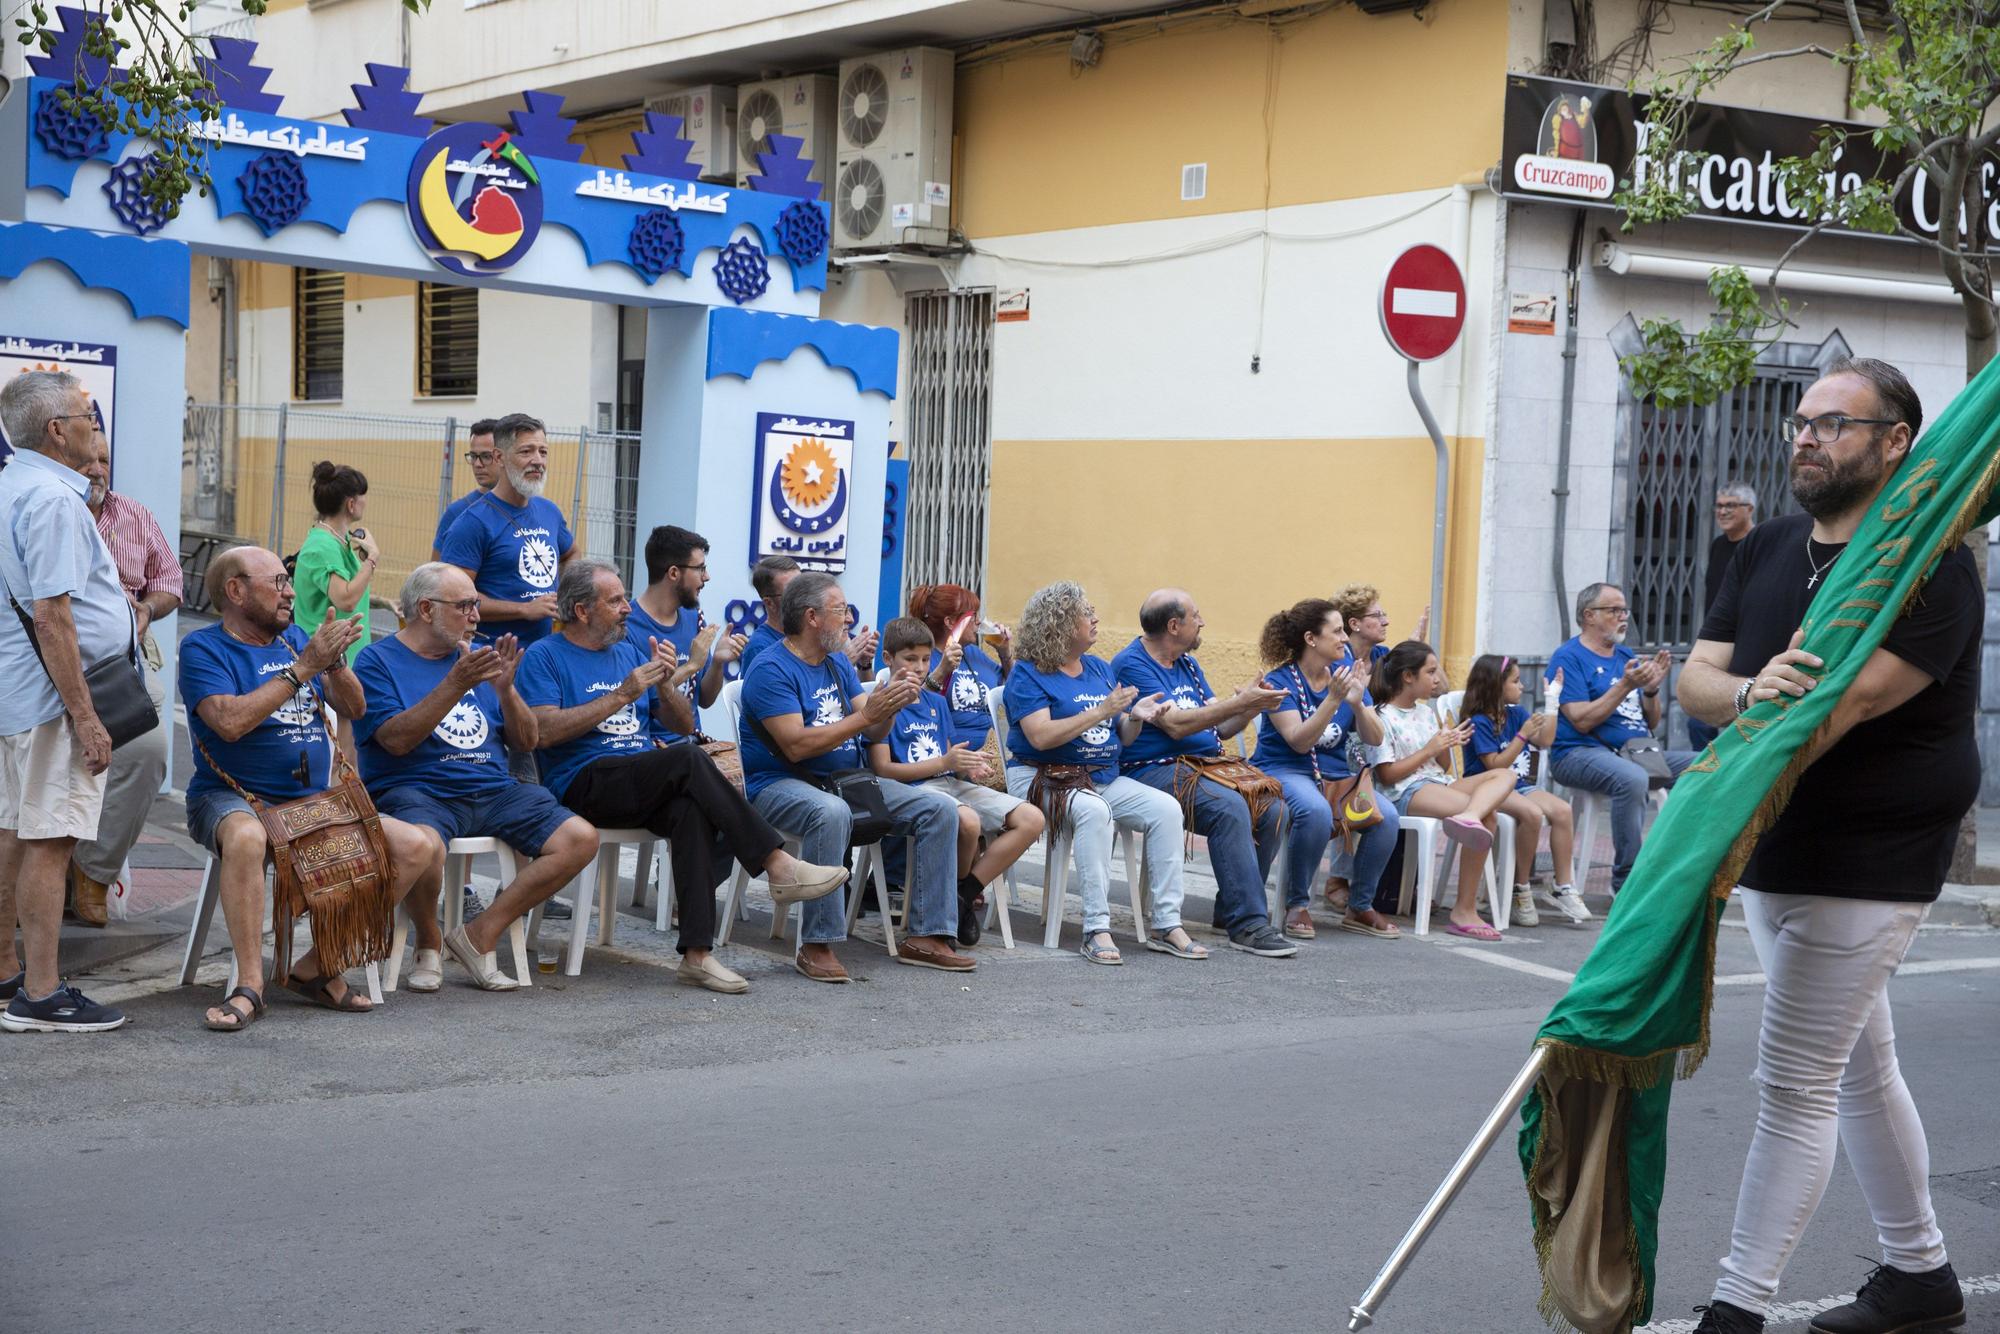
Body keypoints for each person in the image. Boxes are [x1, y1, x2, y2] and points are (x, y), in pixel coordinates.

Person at [1677, 358, 1974, 1334]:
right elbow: (1698, 683)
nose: (1804, 437)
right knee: (1855, 1065)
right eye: (1798, 421)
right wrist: (1747, 695)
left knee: (1795, 1081)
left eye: (1832, 424)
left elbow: (1838, 705)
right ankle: (1918, 1274)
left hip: (1869, 855)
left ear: (1895, 440)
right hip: (1771, 841)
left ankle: (1736, 1305)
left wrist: (1721, 768)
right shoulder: (1760, 547)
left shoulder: (1928, 566)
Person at [519, 560, 848, 992]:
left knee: (689, 806)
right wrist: (622, 695)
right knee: (690, 761)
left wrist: (665, 687)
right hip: (582, 781)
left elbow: (679, 724)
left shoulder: (628, 652)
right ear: (582, 611)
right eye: (615, 600)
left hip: (639, 773)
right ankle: (776, 863)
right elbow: (541, 733)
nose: (626, 609)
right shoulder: (545, 656)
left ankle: (697, 955)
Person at [178, 546, 442, 1031]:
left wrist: (335, 662)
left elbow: (355, 708)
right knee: (246, 838)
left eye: (288, 581)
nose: (289, 592)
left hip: (308, 802)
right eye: (276, 583)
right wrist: (302, 669)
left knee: (414, 846)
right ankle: (251, 985)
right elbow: (228, 723)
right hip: (232, 796)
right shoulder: (203, 648)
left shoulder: (295, 638)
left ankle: (316, 967)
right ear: (235, 591)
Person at [351, 563, 598, 991]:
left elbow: (528, 739)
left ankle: (479, 934)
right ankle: (428, 940)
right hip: (417, 789)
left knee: (580, 838)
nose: (476, 616)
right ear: (426, 609)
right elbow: (395, 741)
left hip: (493, 788)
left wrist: (507, 690)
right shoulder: (378, 660)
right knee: (424, 845)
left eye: (476, 604)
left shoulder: (476, 659)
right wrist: (454, 683)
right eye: (465, 605)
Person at [739, 572, 973, 981]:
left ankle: (928, 936)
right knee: (830, 813)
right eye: (840, 610)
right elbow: (796, 745)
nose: (848, 618)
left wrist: (889, 707)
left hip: (845, 780)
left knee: (939, 808)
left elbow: (872, 729)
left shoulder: (836, 665)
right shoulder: (771, 668)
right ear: (811, 617)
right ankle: (817, 944)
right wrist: (867, 715)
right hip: (779, 785)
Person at [0, 371, 128, 1033]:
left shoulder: (10, 485)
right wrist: (85, 715)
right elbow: (54, 617)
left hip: (17, 692)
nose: (94, 427)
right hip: (50, 700)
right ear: (57, 430)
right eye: (87, 416)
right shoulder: (51, 498)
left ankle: (6, 977)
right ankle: (42, 995)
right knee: (51, 838)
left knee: (15, 834)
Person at [1001, 580, 1206, 966]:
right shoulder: (1028, 673)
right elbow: (1041, 737)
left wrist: (1137, 717)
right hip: (1044, 778)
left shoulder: (1097, 668)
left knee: (1166, 809)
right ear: (1061, 623)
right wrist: (1101, 711)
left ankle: (1166, 924)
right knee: (1095, 812)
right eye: (1087, 612)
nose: (1096, 618)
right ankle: (1096, 928)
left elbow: (1122, 735)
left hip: (1100, 777)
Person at [1112, 589, 1295, 957]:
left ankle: (1231, 910)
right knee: (1229, 807)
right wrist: (1240, 702)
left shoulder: (1188, 664)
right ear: (1174, 625)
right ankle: (1249, 924)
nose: (1203, 622)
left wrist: (1250, 706)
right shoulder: (1132, 664)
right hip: (1152, 770)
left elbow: (1222, 727)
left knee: (1275, 808)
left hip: (1204, 767)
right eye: (1197, 615)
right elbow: (1176, 726)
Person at [868, 617, 1044, 947]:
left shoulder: (935, 702)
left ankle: (961, 896)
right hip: (913, 790)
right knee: (968, 822)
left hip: (948, 784)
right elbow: (882, 769)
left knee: (1032, 820)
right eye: (910, 659)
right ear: (888, 659)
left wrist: (968, 767)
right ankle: (952, 908)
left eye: (924, 660)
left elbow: (949, 758)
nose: (920, 668)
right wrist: (945, 763)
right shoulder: (881, 702)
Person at [69, 424, 177, 928]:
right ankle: (32, 878)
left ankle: (93, 872)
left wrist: (146, 610)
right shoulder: (46, 509)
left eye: (104, 460)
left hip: (121, 667)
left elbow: (170, 582)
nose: (97, 469)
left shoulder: (133, 513)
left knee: (149, 750)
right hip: (46, 664)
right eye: (88, 459)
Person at [1254, 598, 1401, 940]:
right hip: (1285, 770)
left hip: (1336, 777)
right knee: (1315, 811)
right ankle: (1297, 904)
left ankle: (1360, 905)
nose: (1344, 639)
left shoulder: (1345, 676)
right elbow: (1299, 742)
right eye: (1336, 632)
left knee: (1388, 817)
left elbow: (1376, 738)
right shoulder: (1281, 682)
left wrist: (1358, 703)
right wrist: (1333, 700)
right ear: (1311, 639)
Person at [1544, 582, 1696, 894]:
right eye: (1614, 610)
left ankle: (1682, 864)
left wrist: (1652, 690)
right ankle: (1626, 881)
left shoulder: (1625, 655)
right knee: (1632, 779)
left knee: (1709, 765)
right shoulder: (1568, 657)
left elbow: (1651, 722)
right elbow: (1581, 720)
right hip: (1577, 753)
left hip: (1637, 751)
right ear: (1589, 616)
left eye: (1625, 610)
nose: (1623, 617)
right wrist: (1625, 686)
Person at [1367, 641, 1516, 942]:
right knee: (1490, 818)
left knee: (1504, 774)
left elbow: (1443, 768)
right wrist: (1430, 749)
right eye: (1431, 672)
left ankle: (1470, 815)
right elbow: (1386, 774)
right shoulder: (1380, 715)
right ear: (1408, 676)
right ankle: (1464, 910)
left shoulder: (1426, 712)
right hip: (1405, 789)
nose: (1437, 679)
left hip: (1436, 782)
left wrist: (1446, 744)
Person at [1458, 653, 1586, 926]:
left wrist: (1553, 701)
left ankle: (1564, 886)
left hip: (1521, 785)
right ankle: (1521, 888)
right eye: (1516, 681)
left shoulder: (1515, 713)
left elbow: (1546, 739)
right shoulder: (1479, 721)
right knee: (1531, 814)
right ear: (1496, 685)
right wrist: (1522, 735)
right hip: (1488, 789)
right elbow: (1495, 764)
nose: (1522, 686)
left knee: (1562, 811)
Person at [1323, 583, 1428, 906]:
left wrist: (1415, 645)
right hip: (1340, 741)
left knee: (1374, 776)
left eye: (1384, 615)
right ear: (1354, 624)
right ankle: (1338, 877)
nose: (1385, 621)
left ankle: (1382, 884)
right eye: (1377, 615)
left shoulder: (1383, 656)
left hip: (1374, 739)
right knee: (1357, 782)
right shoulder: (1337, 658)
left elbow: (1409, 676)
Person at [439, 412, 575, 649]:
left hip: (542, 653)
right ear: (499, 457)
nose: (538, 460)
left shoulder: (549, 511)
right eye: (526, 451)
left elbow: (571, 553)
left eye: (543, 452)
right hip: (490, 655)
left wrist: (564, 595)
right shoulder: (472, 522)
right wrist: (524, 609)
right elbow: (454, 599)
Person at [628, 524, 741, 734]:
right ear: (673, 573)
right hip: (651, 749)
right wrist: (691, 666)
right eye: (700, 568)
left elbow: (705, 700)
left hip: (693, 742)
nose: (706, 577)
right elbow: (633, 697)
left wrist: (717, 663)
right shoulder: (627, 626)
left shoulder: (693, 617)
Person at [1690, 481, 1759, 752]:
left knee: (1739, 720)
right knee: (1698, 722)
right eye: (1719, 506)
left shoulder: (1758, 544)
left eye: (1731, 505)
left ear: (1749, 509)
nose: (1722, 511)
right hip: (1717, 646)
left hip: (1746, 648)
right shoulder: (1719, 545)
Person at [739, 553, 878, 677]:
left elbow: (857, 696)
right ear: (769, 603)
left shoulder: (819, 634)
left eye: (804, 588)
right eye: (792, 592)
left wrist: (864, 665)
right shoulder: (760, 647)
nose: (804, 596)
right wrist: (843, 661)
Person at [431, 418, 499, 561]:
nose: (478, 464)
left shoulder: (530, 506)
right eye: (474, 456)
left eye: (486, 456)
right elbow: (435, 571)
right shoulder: (457, 511)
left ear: (504, 456)